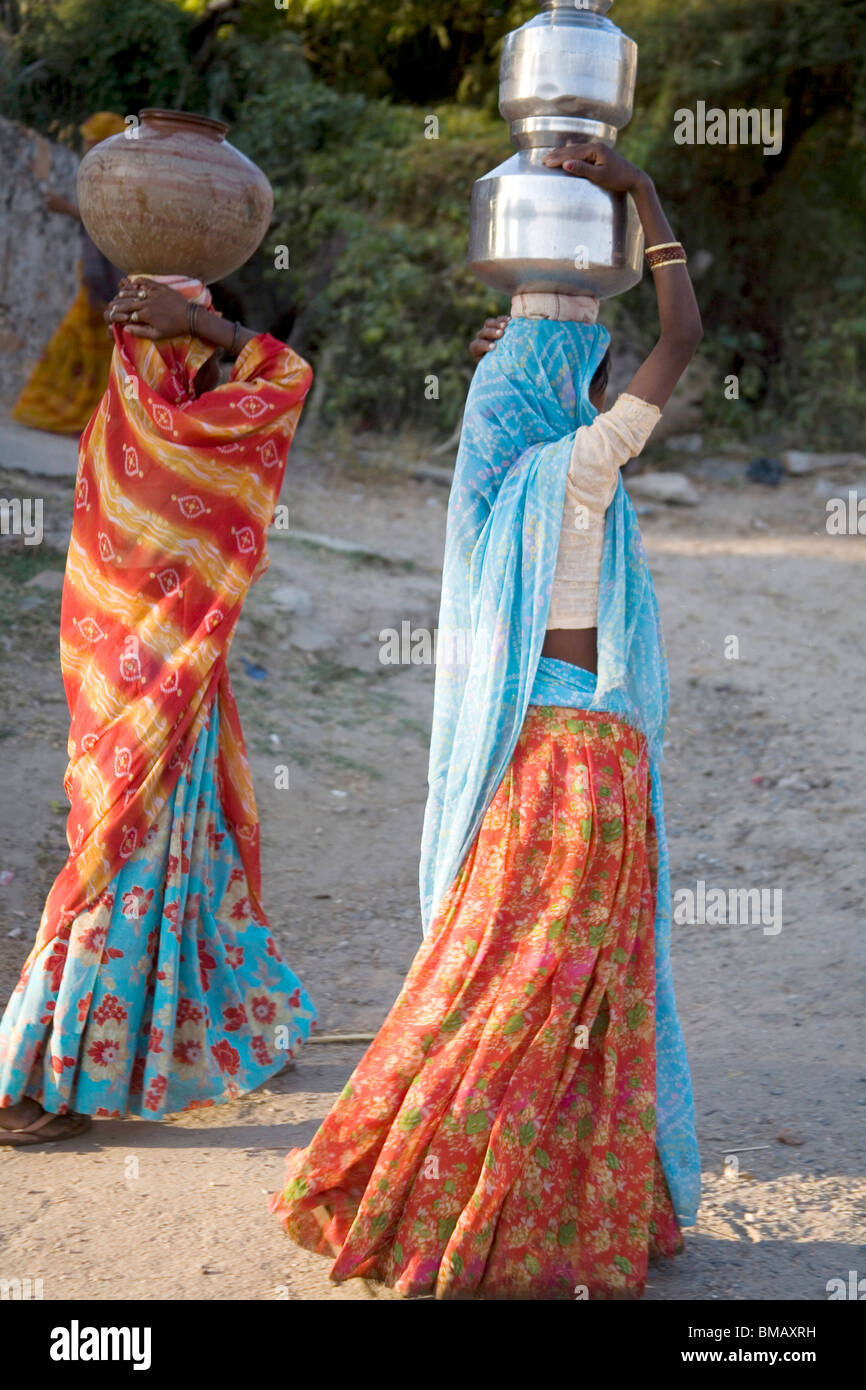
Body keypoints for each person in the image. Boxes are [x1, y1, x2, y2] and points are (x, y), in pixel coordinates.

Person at [270, 141, 703, 1299]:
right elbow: (680, 344)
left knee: (490, 984)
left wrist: (518, 355)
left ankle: (428, 1181)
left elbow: (588, 375)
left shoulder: (495, 491)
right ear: (566, 386)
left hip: (523, 773)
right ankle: (550, 1205)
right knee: (571, 1005)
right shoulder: (580, 469)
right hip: (592, 776)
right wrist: (643, 198)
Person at [0, 274, 316, 1143]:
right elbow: (288, 376)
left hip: (118, 680)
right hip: (161, 684)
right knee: (120, 866)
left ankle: (208, 1024)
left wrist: (187, 322)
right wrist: (211, 324)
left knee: (160, 847)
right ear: (180, 338)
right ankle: (35, 1080)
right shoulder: (189, 434)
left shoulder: (115, 423)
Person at [12, 112, 128, 436]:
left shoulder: (117, 179)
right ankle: (80, 416)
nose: (85, 145)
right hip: (98, 278)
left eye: (91, 139)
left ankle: (83, 418)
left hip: (106, 279)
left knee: (94, 348)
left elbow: (107, 226)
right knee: (83, 349)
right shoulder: (101, 175)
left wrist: (66, 208)